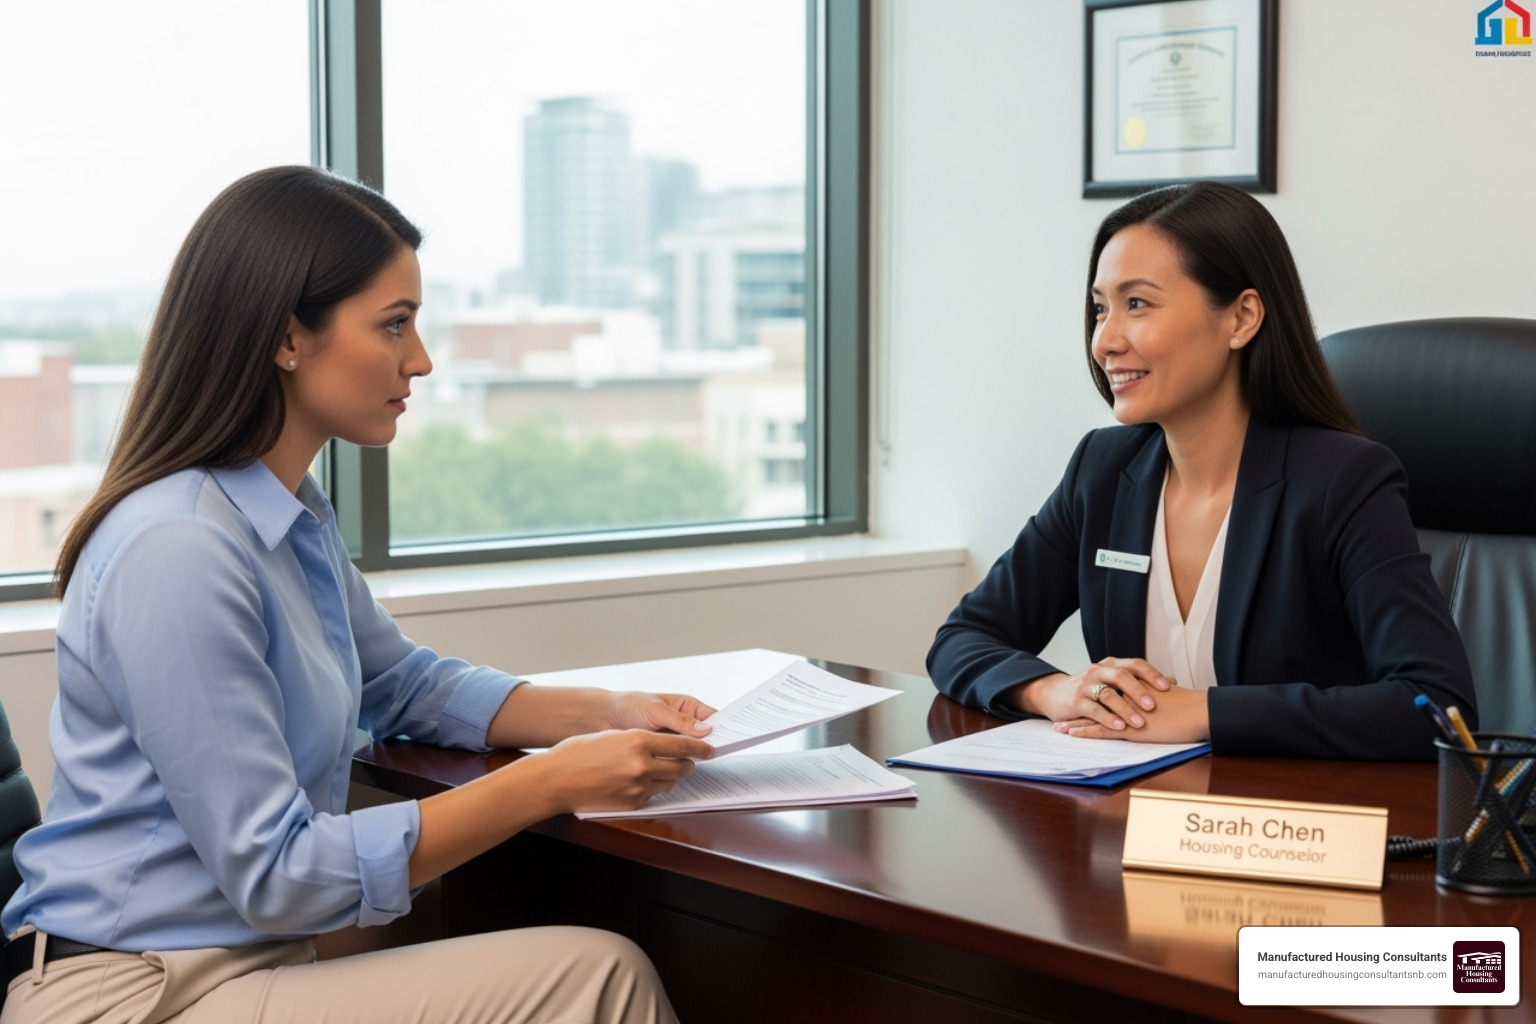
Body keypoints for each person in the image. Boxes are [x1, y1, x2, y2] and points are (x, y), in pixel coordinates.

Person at [0, 166, 715, 1024]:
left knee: (510, 922)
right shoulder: (179, 548)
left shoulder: (283, 508)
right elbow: (280, 873)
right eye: (395, 325)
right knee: (597, 974)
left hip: (240, 960)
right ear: (287, 338)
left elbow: (405, 685)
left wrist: (608, 711)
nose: (420, 359)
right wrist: (550, 783)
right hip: (134, 994)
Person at [926, 181, 1475, 760]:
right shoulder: (1103, 471)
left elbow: (1435, 705)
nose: (1105, 341)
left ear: (1240, 318)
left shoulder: (1343, 481)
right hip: (1137, 819)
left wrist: (1206, 713)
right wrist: (1056, 691)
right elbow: (962, 640)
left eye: (1137, 304)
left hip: (1289, 829)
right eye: (1100, 308)